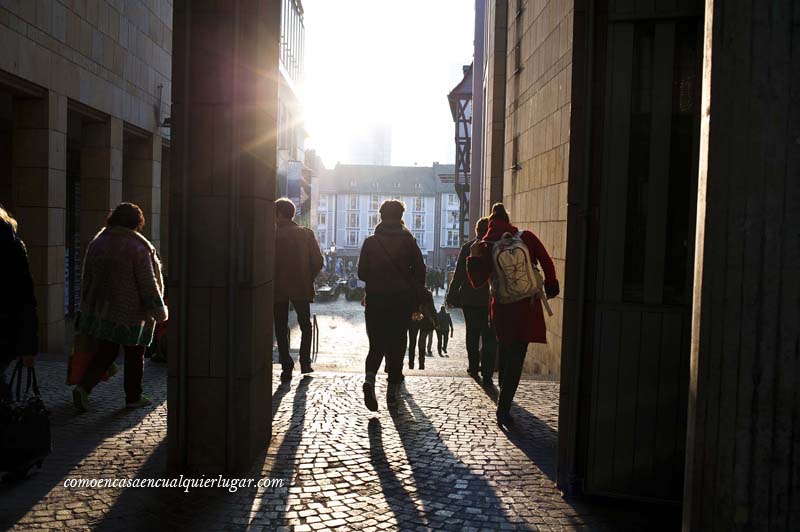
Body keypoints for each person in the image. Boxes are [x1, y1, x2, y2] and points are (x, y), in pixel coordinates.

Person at [467, 203, 559, 428]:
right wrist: (551, 283)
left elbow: (477, 282)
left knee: (506, 350)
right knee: (518, 354)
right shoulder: (525, 236)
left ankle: (503, 399)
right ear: (508, 220)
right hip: (527, 307)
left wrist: (474, 256)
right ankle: (504, 405)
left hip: (502, 308)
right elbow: (546, 260)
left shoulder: (486, 245)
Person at [72, 203, 168, 411]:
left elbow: (86, 277)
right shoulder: (138, 247)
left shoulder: (98, 243)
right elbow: (146, 281)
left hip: (102, 309)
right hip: (130, 312)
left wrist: (87, 305)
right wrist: (158, 309)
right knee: (135, 355)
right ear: (137, 222)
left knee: (106, 352)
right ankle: (134, 396)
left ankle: (83, 388)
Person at [358, 200, 425, 410]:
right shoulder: (408, 241)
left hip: (376, 300)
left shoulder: (370, 242)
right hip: (401, 300)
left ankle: (369, 380)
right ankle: (391, 391)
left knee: (376, 344)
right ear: (400, 217)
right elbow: (420, 272)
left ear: (380, 216)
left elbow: (361, 273)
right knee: (397, 344)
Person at [273, 198, 324, 382]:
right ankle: (305, 361)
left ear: (278, 214)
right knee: (305, 325)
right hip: (301, 286)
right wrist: (308, 276)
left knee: (280, 325)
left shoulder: (272, 235)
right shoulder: (306, 234)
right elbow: (318, 261)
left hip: (278, 287)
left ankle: (286, 365)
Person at [446, 217, 496, 384]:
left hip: (470, 299)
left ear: (476, 231)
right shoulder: (494, 247)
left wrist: (451, 295)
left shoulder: (468, 248)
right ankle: (488, 372)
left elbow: (459, 273)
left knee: (472, 333)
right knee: (489, 335)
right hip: (489, 299)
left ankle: (473, 367)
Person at [0, 206, 38, 401]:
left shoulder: (11, 247)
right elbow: (25, 298)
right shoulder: (13, 246)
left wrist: (28, 346)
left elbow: (24, 297)